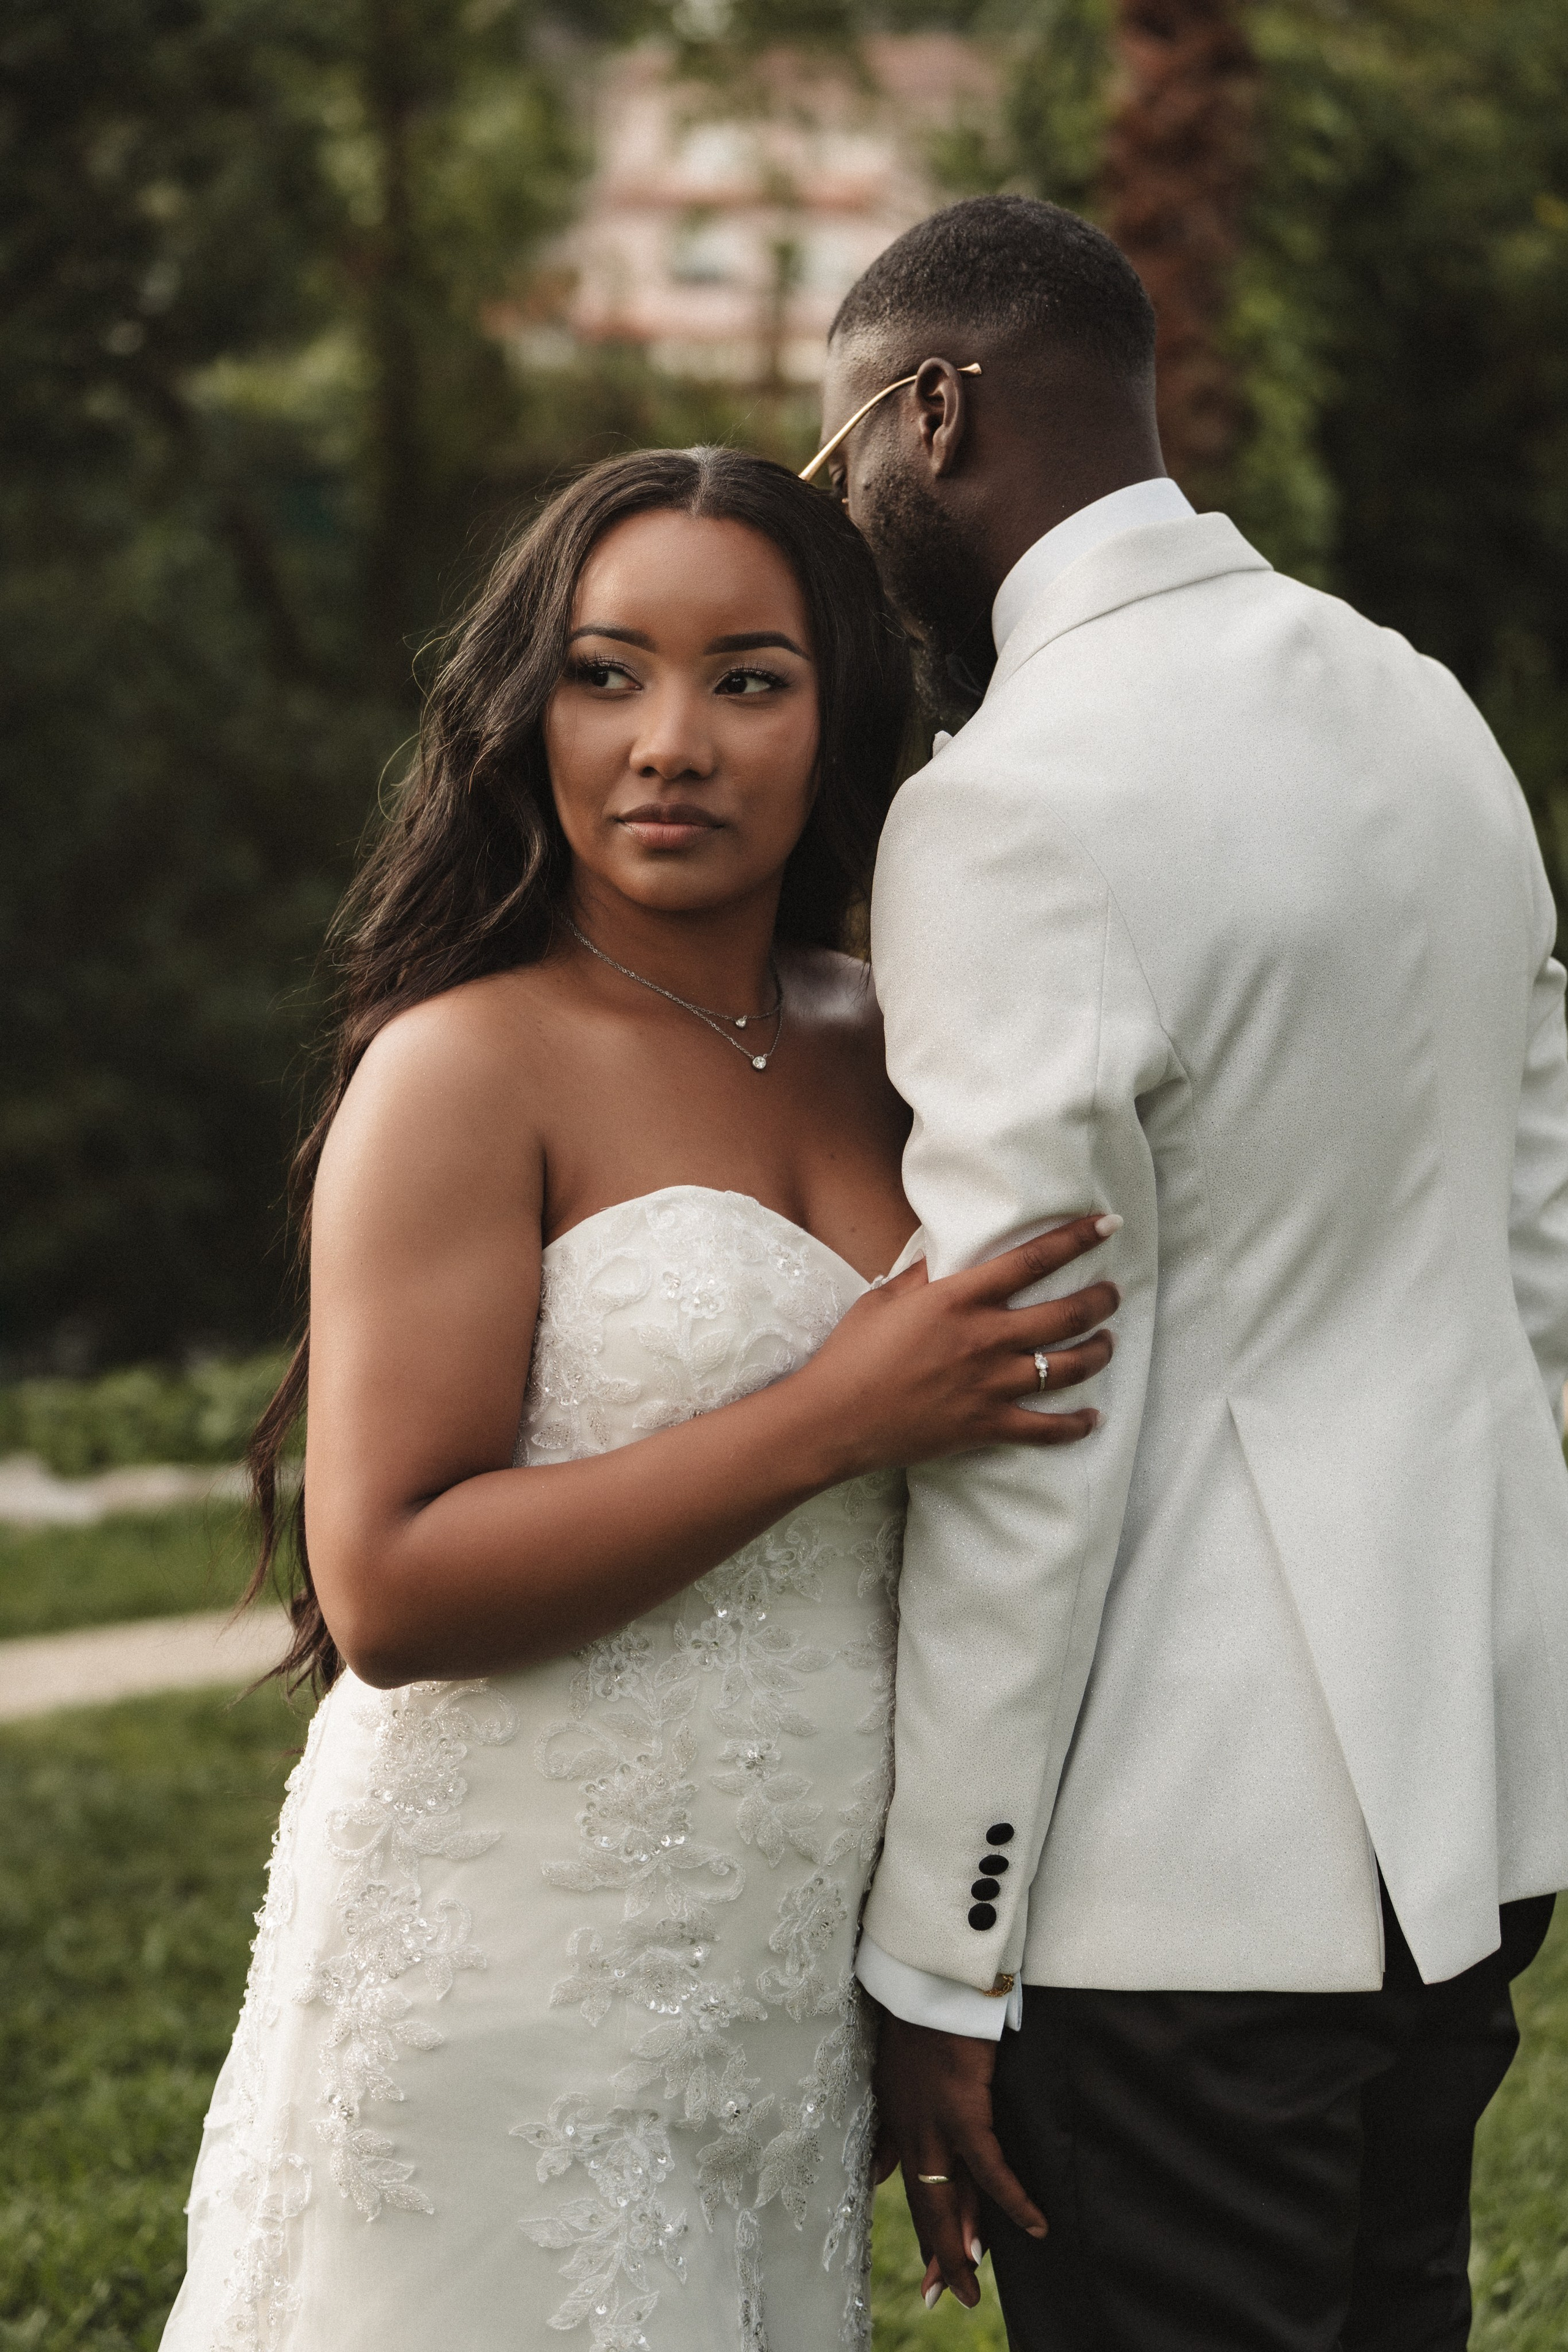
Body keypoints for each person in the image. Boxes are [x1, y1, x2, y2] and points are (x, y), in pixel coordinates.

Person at [157, 445, 1120, 2352]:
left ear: (840, 715)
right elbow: (389, 1585)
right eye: (606, 675)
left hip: (772, 2008)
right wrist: (836, 1415)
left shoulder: (906, 1042)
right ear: (532, 712)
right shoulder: (463, 1065)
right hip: (497, 1979)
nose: (669, 744)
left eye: (748, 680)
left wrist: (933, 1983)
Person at [810, 195, 1568, 2350]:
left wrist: (946, 1946)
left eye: (831, 455)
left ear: (934, 412)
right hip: (1474, 1809)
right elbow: (1538, 1244)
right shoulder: (1418, 704)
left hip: (1173, 1869)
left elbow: (1026, 1403)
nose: (837, 517)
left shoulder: (1001, 804)